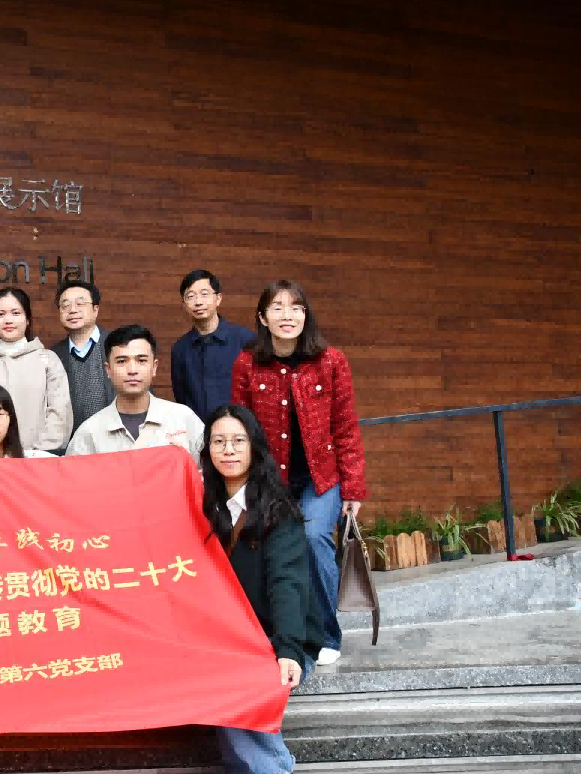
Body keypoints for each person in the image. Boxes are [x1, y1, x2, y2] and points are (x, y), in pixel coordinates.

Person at [232, 280, 368, 666]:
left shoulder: (331, 361)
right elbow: (241, 428)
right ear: (263, 317)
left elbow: (345, 426)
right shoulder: (247, 363)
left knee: (312, 538)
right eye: (277, 307)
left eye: (296, 308)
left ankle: (326, 633)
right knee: (268, 549)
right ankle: (281, 635)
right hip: (269, 479)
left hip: (321, 478)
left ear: (305, 315)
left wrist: (353, 488)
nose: (287, 315)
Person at [200, 403, 324, 774]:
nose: (228, 450)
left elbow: (287, 583)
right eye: (218, 441)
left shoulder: (277, 510)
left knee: (239, 689)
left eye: (238, 441)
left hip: (279, 639)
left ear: (254, 447)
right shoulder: (206, 508)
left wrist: (288, 650)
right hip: (232, 641)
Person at [66, 324, 204, 460]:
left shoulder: (184, 419)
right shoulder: (89, 433)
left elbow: (207, 470)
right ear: (108, 370)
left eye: (141, 360)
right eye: (122, 361)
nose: (132, 370)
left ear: (154, 367)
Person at [0, 288, 72, 452]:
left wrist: (39, 453)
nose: (8, 320)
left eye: (16, 313)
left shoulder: (47, 360)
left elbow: (60, 412)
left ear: (27, 319)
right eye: (0, 314)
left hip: (41, 458)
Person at [170, 269, 256, 422]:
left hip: (240, 429)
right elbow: (182, 400)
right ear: (184, 305)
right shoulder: (180, 349)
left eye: (204, 294)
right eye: (191, 296)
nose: (198, 302)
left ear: (218, 299)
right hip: (199, 433)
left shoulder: (246, 340)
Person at [49, 279, 114, 434]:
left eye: (80, 303)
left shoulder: (117, 345)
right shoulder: (53, 355)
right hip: (73, 444)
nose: (72, 310)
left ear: (95, 309)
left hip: (116, 439)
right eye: (65, 305)